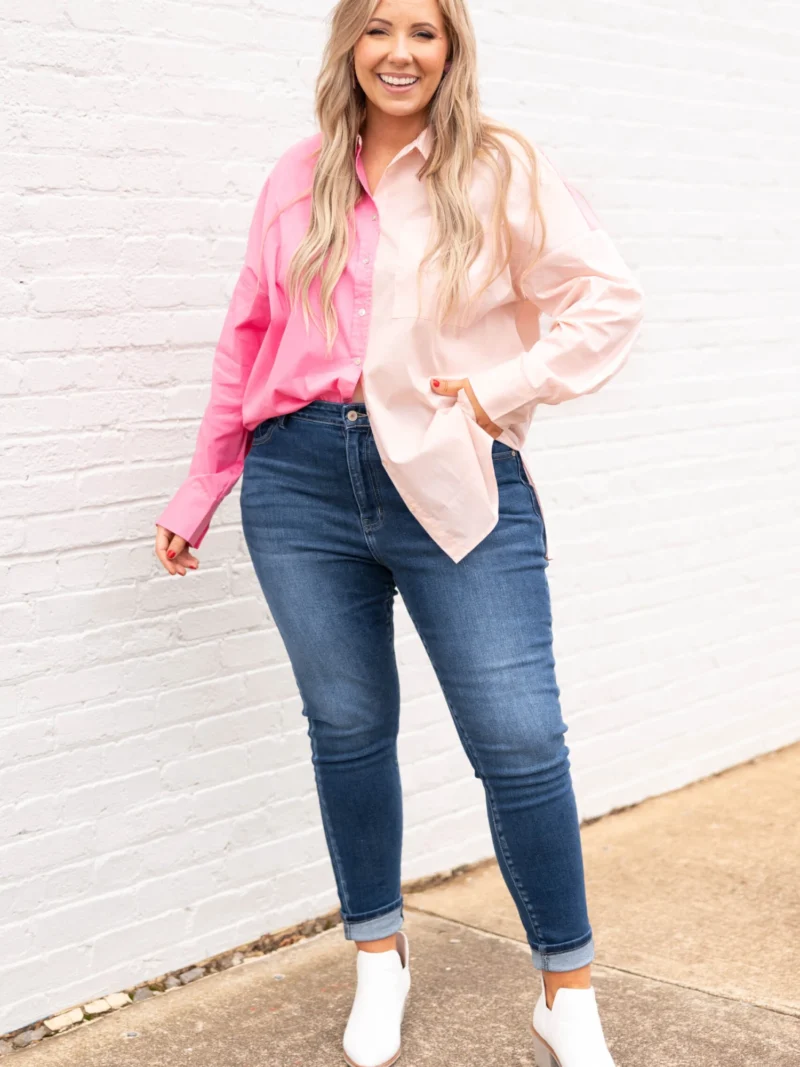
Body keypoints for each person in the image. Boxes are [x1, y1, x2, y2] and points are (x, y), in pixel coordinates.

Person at [154, 1, 644, 1064]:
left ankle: (566, 991)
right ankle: (378, 957)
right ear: (350, 46)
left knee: (518, 737)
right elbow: (247, 334)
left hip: (449, 470)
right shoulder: (297, 176)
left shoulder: (500, 167)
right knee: (346, 725)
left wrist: (497, 389)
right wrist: (202, 487)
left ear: (451, 49)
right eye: (378, 29)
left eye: (423, 30)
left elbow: (606, 302)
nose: (400, 52)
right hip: (296, 479)